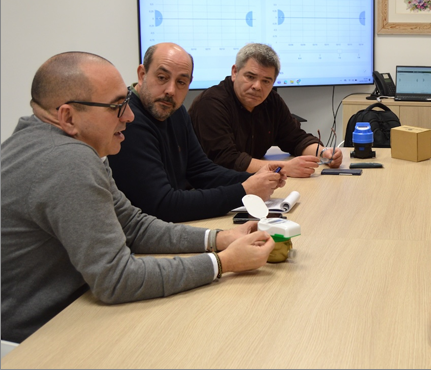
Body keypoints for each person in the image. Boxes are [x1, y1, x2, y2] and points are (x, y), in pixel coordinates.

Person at [1, 52, 276, 343]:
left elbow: (133, 226)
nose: (129, 116)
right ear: (68, 116)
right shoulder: (68, 160)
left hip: (71, 311)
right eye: (117, 107)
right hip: (35, 341)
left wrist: (219, 239)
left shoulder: (45, 138)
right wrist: (222, 263)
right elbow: (116, 278)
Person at [107, 43, 286, 223]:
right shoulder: (127, 120)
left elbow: (201, 170)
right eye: (162, 77)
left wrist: (257, 178)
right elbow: (162, 205)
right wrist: (245, 190)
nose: (171, 90)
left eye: (181, 82)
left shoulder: (175, 111)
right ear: (142, 75)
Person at [188, 43, 343, 177]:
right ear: (234, 72)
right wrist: (283, 168)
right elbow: (226, 160)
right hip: (205, 188)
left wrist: (324, 153)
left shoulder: (271, 101)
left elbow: (296, 138)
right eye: (250, 77)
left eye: (266, 81)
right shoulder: (211, 103)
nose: (257, 86)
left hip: (249, 183)